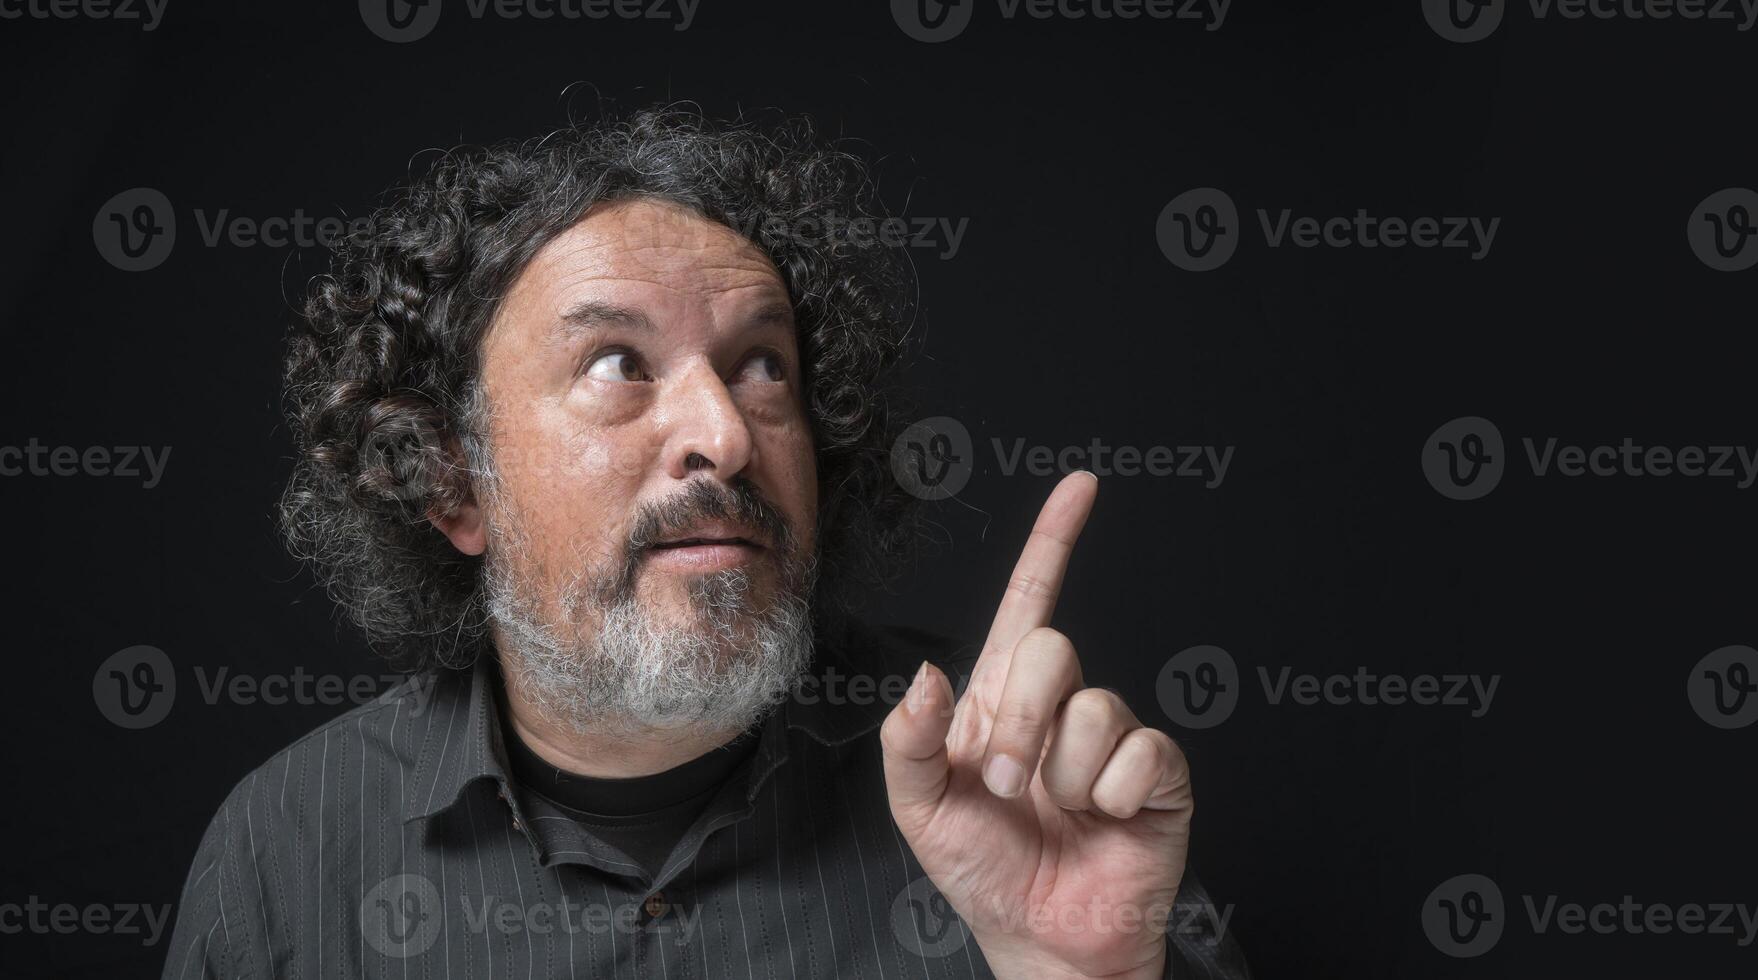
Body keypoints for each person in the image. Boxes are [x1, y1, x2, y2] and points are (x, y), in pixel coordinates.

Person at [161, 108, 1250, 979]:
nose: (727, 435)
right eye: (617, 365)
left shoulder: (1016, 787)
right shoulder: (285, 851)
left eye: (763, 365)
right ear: (453, 480)